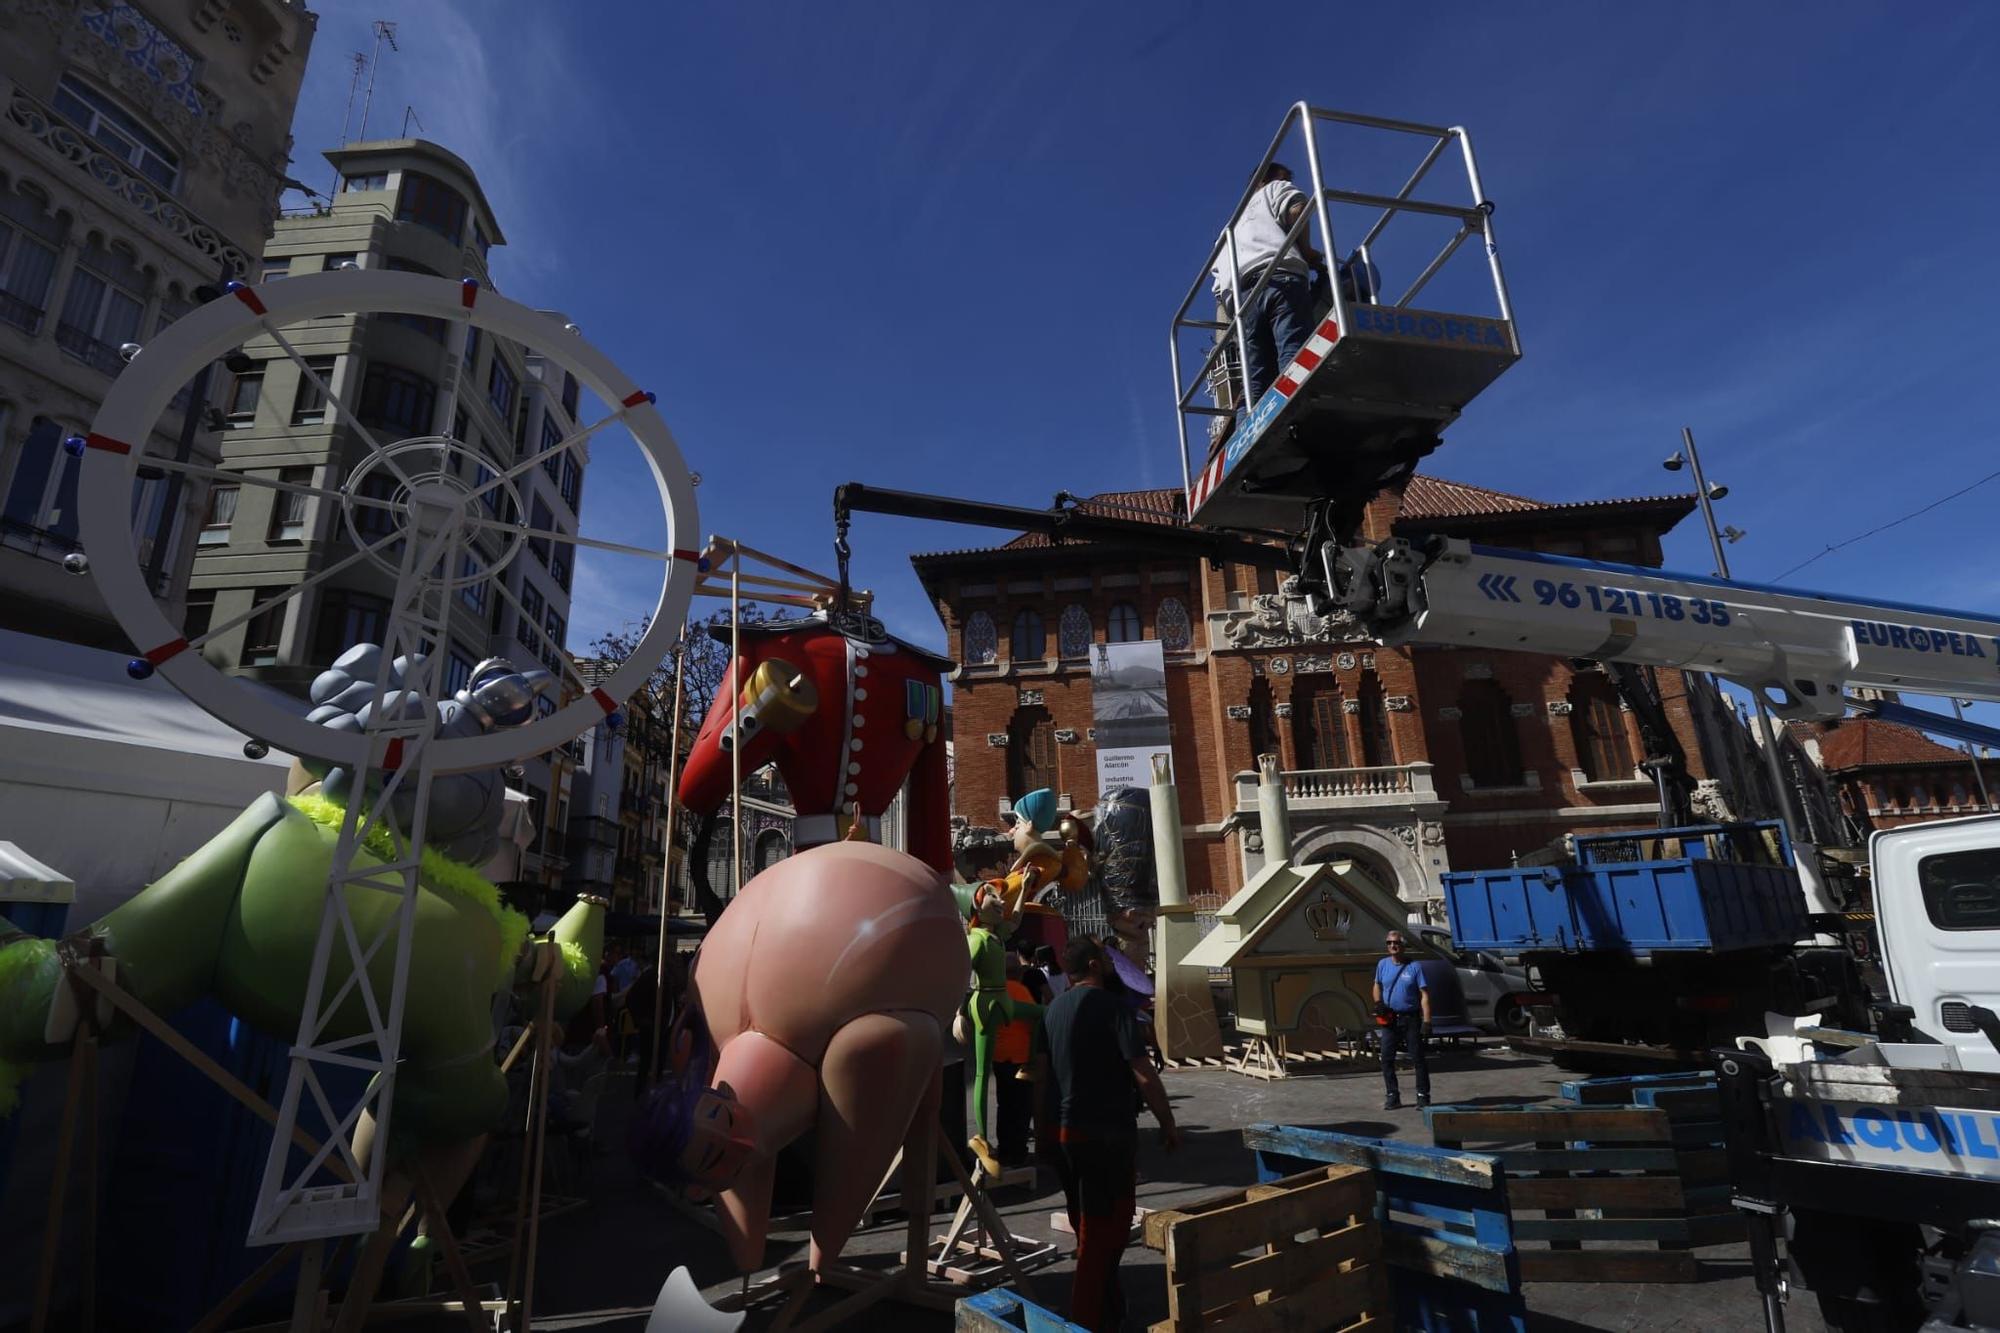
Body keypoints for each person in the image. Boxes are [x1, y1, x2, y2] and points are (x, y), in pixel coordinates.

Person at [1038, 936, 1181, 1333]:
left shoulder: (1051, 1013)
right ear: (1096, 965)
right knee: (1106, 1234)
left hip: (1063, 1136)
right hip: (1105, 1136)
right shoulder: (1113, 1008)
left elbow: (1041, 1078)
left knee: (1087, 1226)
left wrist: (1042, 1134)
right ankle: (1084, 1320)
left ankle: (1108, 1308)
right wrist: (1168, 1122)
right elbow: (1143, 1073)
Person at [1210, 162, 1326, 419]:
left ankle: (1248, 436)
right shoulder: (1274, 190)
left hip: (1243, 304)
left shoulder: (1227, 232)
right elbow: (1297, 209)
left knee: (1256, 381)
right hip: (1280, 279)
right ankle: (1294, 416)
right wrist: (1307, 253)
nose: (1285, 182)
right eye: (1282, 178)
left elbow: (1218, 289)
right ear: (1265, 180)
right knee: (1292, 353)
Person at [1373, 930, 1432, 1110]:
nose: (1392, 946)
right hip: (1390, 1019)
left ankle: (1423, 1095)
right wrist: (1378, 1003)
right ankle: (1393, 1095)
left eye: (1396, 943)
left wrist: (1427, 1021)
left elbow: (1425, 995)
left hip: (1410, 1018)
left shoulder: (1414, 967)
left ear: (1403, 946)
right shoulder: (1382, 964)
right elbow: (1377, 985)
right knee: (1386, 1058)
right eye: (1389, 943)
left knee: (1417, 1058)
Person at [991, 959, 1037, 1167]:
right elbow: (1034, 1020)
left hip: (999, 1057)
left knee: (1005, 1104)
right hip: (1020, 1058)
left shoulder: (993, 992)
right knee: (1021, 1106)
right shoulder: (1020, 991)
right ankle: (1017, 1152)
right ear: (1018, 974)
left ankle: (1005, 1149)